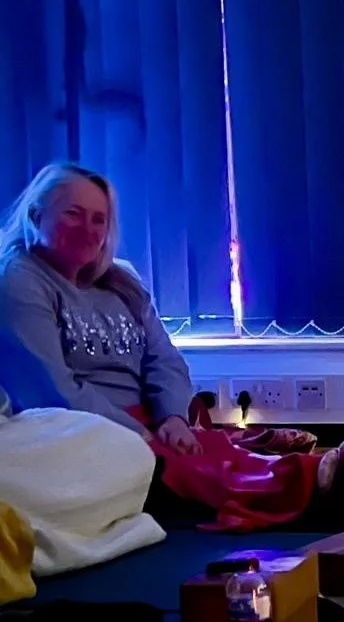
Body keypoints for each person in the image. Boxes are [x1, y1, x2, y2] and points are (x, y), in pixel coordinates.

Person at [0, 163, 198, 452]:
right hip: (84, 440)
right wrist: (141, 438)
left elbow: (164, 359)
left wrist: (174, 418)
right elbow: (52, 392)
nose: (87, 230)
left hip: (151, 431)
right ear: (36, 216)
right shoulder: (18, 281)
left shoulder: (123, 279)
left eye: (98, 219)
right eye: (73, 214)